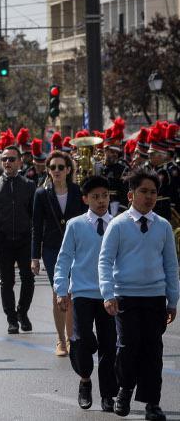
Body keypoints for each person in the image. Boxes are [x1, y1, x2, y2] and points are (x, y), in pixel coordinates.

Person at [99, 169, 178, 420]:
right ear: (131, 194)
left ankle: (152, 403)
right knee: (128, 345)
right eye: (143, 191)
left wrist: (172, 299)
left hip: (155, 298)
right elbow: (105, 261)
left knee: (153, 350)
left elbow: (171, 265)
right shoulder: (118, 225)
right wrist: (108, 294)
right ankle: (124, 389)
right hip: (125, 297)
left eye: (153, 192)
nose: (149, 197)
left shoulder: (163, 226)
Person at [53, 175, 117, 412]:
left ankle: (109, 394)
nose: (101, 201)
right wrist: (61, 289)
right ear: (85, 199)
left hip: (109, 294)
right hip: (81, 292)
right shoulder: (75, 224)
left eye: (104, 196)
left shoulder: (117, 225)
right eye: (95, 197)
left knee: (110, 346)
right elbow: (64, 258)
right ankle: (85, 381)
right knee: (80, 341)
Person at [31, 151, 86, 356]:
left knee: (71, 293)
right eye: (52, 167)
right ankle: (60, 340)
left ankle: (71, 337)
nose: (56, 171)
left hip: (75, 247)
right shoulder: (41, 193)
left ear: (68, 170)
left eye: (60, 167)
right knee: (59, 293)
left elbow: (84, 221)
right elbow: (36, 226)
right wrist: (34, 257)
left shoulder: (76, 191)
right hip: (52, 249)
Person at [0, 146, 36, 334]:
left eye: (12, 159)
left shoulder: (29, 185)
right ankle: (11, 319)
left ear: (20, 162)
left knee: (28, 279)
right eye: (4, 159)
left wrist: (38, 241)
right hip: (3, 240)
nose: (7, 163)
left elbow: (35, 216)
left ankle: (22, 313)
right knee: (7, 281)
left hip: (24, 239)